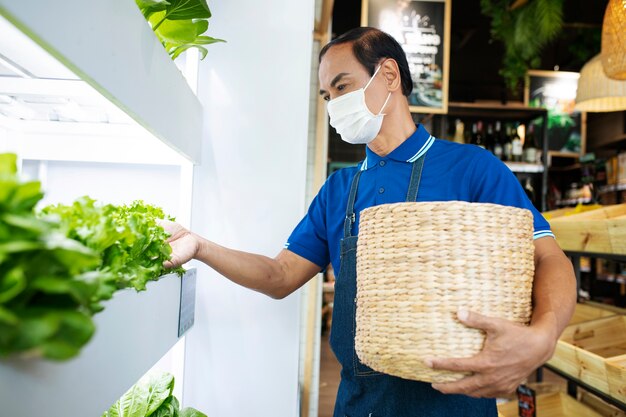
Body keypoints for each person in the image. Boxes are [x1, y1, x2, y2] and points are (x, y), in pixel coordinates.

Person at [161, 27, 576, 417]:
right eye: (326, 95)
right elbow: (279, 276)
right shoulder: (338, 189)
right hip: (360, 403)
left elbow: (549, 257)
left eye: (341, 86)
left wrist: (542, 336)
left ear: (389, 74)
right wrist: (200, 246)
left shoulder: (472, 168)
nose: (332, 104)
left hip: (456, 403)